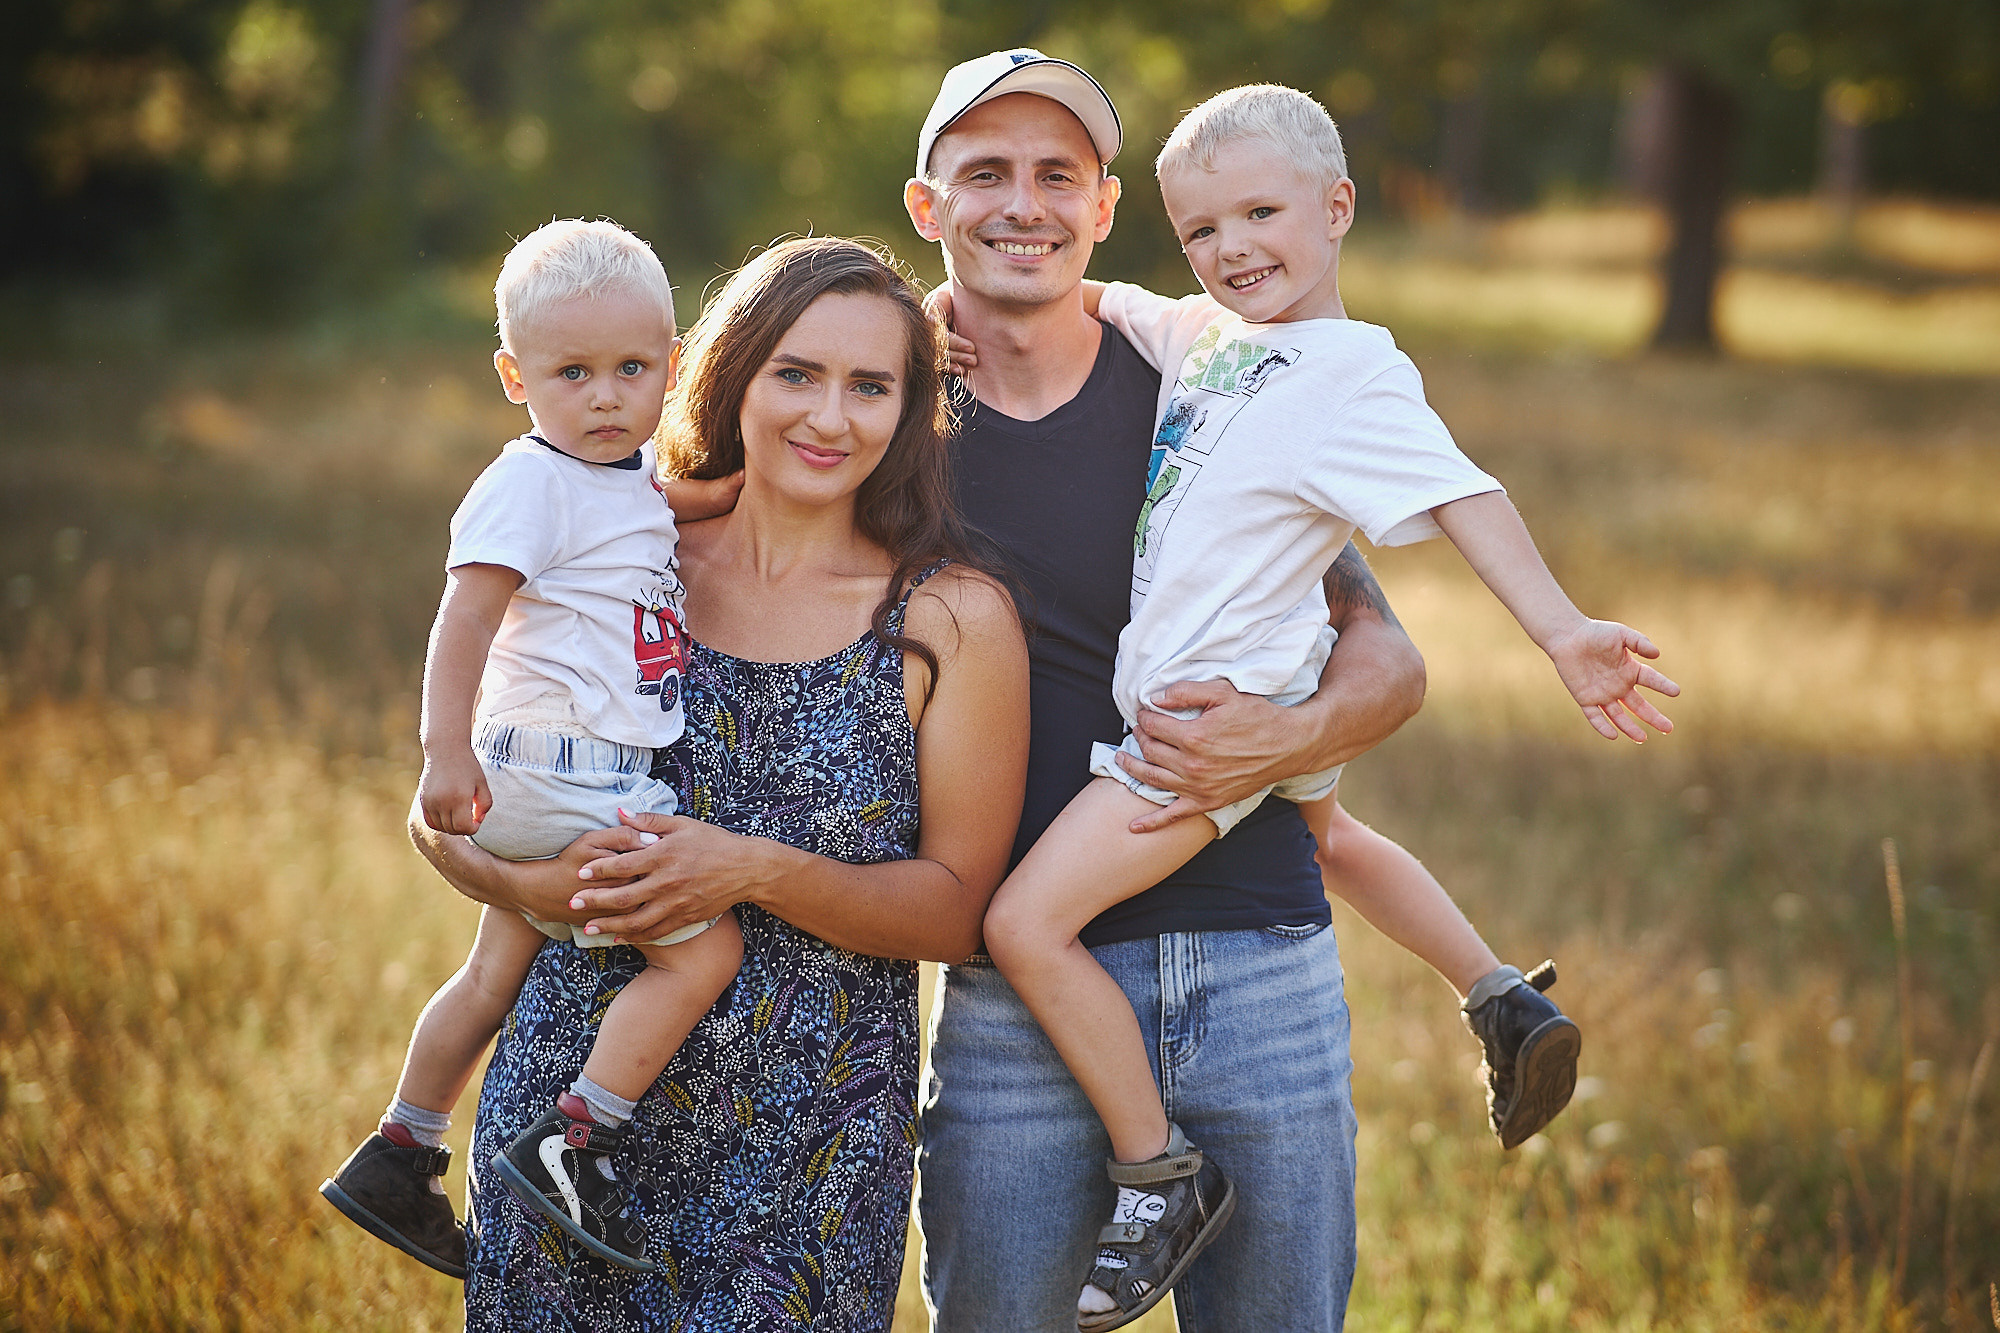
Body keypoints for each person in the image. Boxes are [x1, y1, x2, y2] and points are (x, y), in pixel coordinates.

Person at [938, 80, 1682, 1327]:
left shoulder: (1353, 376)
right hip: (1254, 681)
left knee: (1024, 921)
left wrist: (1560, 631)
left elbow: (1463, 497)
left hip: (1197, 736)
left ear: (1337, 209)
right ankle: (1495, 989)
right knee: (1334, 835)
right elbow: (1092, 296)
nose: (1232, 250)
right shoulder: (1207, 337)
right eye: (1203, 232)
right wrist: (921, 319)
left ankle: (1155, 1176)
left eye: (1261, 216)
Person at [406, 236, 1029, 1331]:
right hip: (566, 1122)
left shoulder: (948, 617)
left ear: (907, 408)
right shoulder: (619, 559)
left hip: (807, 1151)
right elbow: (453, 802)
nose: (828, 418)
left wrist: (747, 869)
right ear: (730, 373)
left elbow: (954, 912)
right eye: (795, 374)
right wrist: (529, 889)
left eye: (869, 386)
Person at [899, 51, 1424, 1333]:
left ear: (1102, 206)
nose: (1020, 204)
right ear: (929, 206)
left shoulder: (1204, 383)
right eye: (985, 174)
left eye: (1054, 176)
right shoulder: (881, 416)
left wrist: (1286, 735)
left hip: (1258, 964)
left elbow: (1385, 653)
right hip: (1013, 989)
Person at [321, 218, 747, 1278]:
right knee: (703, 951)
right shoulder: (526, 483)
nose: (604, 397)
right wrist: (441, 754)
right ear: (514, 376)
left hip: (556, 773)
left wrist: (739, 490)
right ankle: (577, 1140)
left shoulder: (625, 471)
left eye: (631, 369)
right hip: (562, 767)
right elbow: (461, 621)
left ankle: (401, 1144)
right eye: (571, 373)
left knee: (494, 966)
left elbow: (667, 500)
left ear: (672, 365)